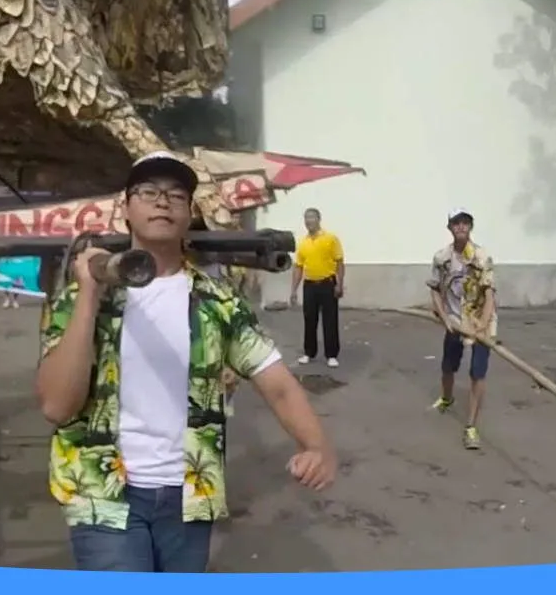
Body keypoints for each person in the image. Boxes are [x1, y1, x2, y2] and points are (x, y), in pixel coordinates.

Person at [36, 151, 336, 573]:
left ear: (190, 212)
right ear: (125, 209)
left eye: (177, 194)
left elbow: (278, 382)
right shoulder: (80, 300)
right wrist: (88, 293)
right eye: (148, 192)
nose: (163, 201)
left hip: (189, 495)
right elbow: (56, 406)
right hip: (100, 493)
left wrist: (317, 445)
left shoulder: (218, 303)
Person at [427, 208, 496, 451]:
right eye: (456, 223)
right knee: (448, 367)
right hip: (455, 321)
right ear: (450, 228)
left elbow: (489, 295)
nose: (461, 227)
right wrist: (445, 317)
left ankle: (471, 426)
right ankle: (447, 398)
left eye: (465, 223)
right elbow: (434, 288)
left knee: (477, 374)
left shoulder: (480, 256)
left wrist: (482, 327)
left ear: (471, 227)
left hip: (480, 323)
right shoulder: (442, 257)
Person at [289, 208, 345, 368]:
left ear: (319, 219)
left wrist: (339, 284)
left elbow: (340, 262)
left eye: (312, 217)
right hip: (310, 286)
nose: (309, 221)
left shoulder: (330, 238)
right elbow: (298, 267)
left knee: (330, 320)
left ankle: (332, 355)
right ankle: (309, 352)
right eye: (306, 218)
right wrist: (293, 290)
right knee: (309, 320)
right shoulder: (303, 242)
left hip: (328, 283)